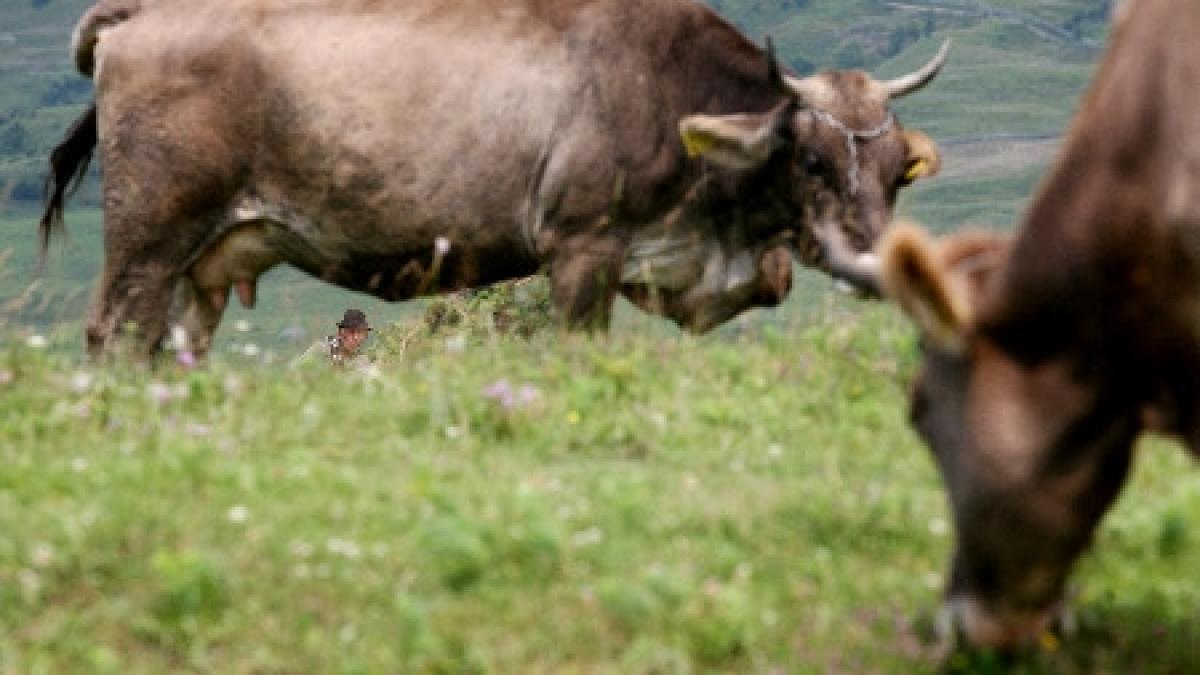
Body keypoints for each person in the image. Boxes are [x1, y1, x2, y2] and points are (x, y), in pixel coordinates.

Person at [293, 309, 373, 368]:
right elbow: (295, 369)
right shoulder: (322, 349)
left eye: (359, 333)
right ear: (341, 332)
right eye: (351, 332)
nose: (355, 337)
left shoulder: (362, 361)